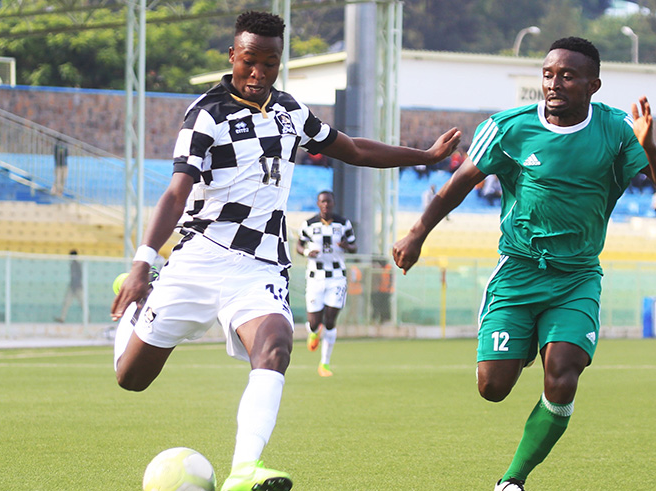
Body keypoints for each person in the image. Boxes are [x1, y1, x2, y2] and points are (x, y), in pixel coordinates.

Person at [110, 11, 461, 491]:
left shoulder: (290, 112)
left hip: (260, 268)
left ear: (280, 62)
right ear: (232, 56)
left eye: (270, 63)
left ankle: (243, 470)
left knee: (276, 345)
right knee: (131, 378)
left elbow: (353, 149)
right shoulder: (205, 114)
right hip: (199, 257)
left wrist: (423, 156)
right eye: (249, 61)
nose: (257, 73)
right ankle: (140, 304)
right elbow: (176, 193)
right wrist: (141, 263)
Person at [392, 37, 656, 491]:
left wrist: (651, 146)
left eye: (567, 75)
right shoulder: (508, 127)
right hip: (519, 272)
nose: (554, 83)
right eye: (548, 74)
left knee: (563, 375)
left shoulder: (619, 129)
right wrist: (417, 233)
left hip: (577, 277)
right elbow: (457, 184)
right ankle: (522, 347)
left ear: (593, 84)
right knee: (493, 388)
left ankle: (513, 481)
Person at [295, 190, 356, 377]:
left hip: (337, 277)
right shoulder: (308, 224)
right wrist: (306, 253)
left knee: (330, 321)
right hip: (315, 277)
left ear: (333, 203)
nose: (326, 205)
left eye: (329, 202)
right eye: (323, 202)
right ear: (318, 203)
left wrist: (347, 246)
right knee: (315, 322)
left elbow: (355, 246)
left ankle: (325, 364)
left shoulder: (343, 224)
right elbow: (298, 245)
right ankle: (313, 332)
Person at [54, 249, 84, 323]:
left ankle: (87, 319)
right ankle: (62, 318)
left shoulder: (77, 265)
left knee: (83, 304)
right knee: (66, 303)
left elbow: (79, 276)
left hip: (78, 287)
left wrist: (76, 286)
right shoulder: (72, 265)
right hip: (72, 287)